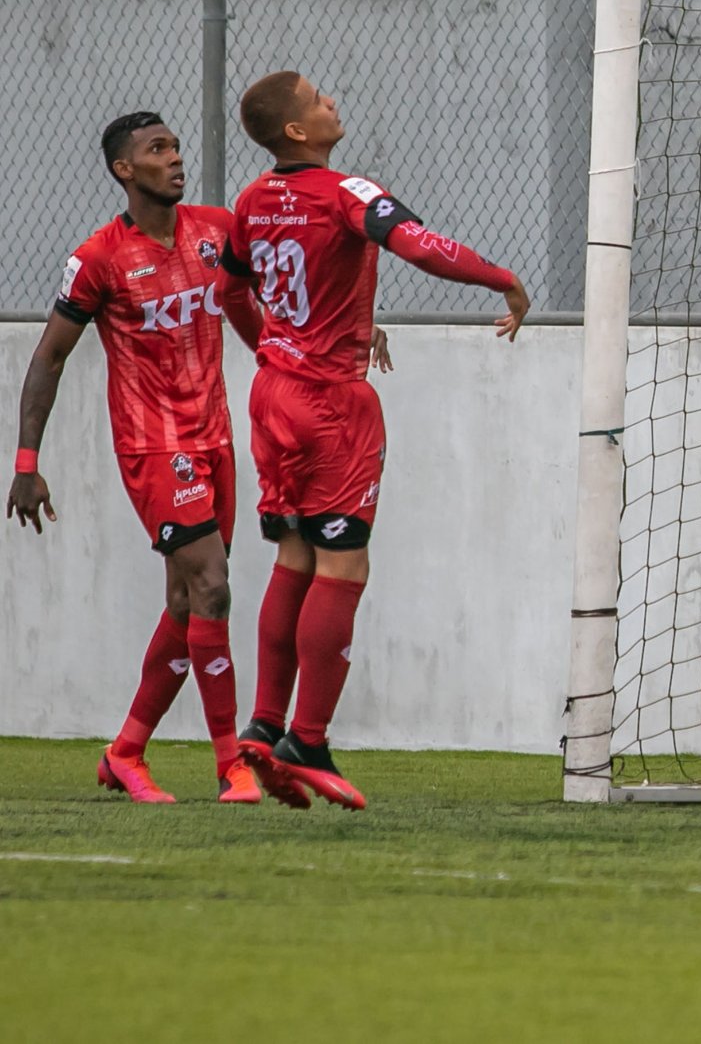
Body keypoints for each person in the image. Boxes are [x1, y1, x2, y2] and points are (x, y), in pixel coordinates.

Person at [225, 72, 528, 809]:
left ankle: (264, 725)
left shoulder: (252, 201)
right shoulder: (346, 193)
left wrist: (279, 347)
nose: (331, 101)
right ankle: (308, 739)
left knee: (294, 554)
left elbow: (233, 290)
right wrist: (506, 281)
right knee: (344, 562)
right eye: (317, 98)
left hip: (272, 394)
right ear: (297, 131)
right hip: (332, 404)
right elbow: (421, 248)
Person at [8, 113, 267, 803]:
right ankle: (231, 764)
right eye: (158, 150)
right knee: (213, 585)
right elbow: (49, 358)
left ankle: (125, 752)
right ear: (124, 170)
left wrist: (331, 335)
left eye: (176, 146)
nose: (175, 158)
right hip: (154, 446)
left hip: (215, 440)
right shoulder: (100, 258)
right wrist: (27, 461)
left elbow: (271, 285)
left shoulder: (216, 231)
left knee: (188, 602)